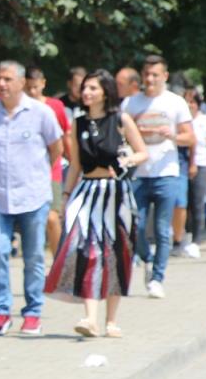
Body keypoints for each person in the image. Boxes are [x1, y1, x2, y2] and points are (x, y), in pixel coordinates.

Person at [45, 70, 148, 338]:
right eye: (84, 88)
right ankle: (90, 318)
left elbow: (142, 152)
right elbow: (76, 165)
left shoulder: (120, 119)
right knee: (88, 251)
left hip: (116, 193)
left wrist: (127, 161)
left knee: (116, 252)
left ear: (105, 91)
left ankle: (111, 321)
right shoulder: (77, 124)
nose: (86, 92)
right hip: (88, 192)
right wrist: (66, 197)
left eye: (92, 88)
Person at [0, 61, 63, 336]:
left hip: (33, 196)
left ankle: (33, 312)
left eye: (8, 79)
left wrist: (35, 175)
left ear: (22, 82)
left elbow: (56, 148)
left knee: (34, 256)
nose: (2, 84)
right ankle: (2, 311)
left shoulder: (41, 112)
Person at [122, 55, 195, 298]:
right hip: (139, 174)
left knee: (163, 229)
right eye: (147, 74)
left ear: (164, 76)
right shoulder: (131, 103)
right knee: (136, 225)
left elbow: (190, 138)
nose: (150, 79)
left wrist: (172, 135)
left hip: (167, 173)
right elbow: (121, 132)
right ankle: (147, 258)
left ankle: (157, 278)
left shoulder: (175, 103)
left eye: (155, 74)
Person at [25, 67, 72, 257]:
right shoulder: (19, 108)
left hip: (52, 169)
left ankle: (57, 263)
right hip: (26, 172)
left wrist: (73, 160)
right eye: (28, 88)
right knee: (34, 221)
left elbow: (65, 136)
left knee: (53, 218)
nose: (32, 92)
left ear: (43, 84)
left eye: (35, 87)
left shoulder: (55, 106)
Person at [179, 88, 206, 259]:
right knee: (181, 204)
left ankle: (196, 240)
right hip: (181, 164)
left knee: (197, 203)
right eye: (186, 101)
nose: (189, 105)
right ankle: (182, 238)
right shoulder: (179, 122)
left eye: (192, 102)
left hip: (202, 164)